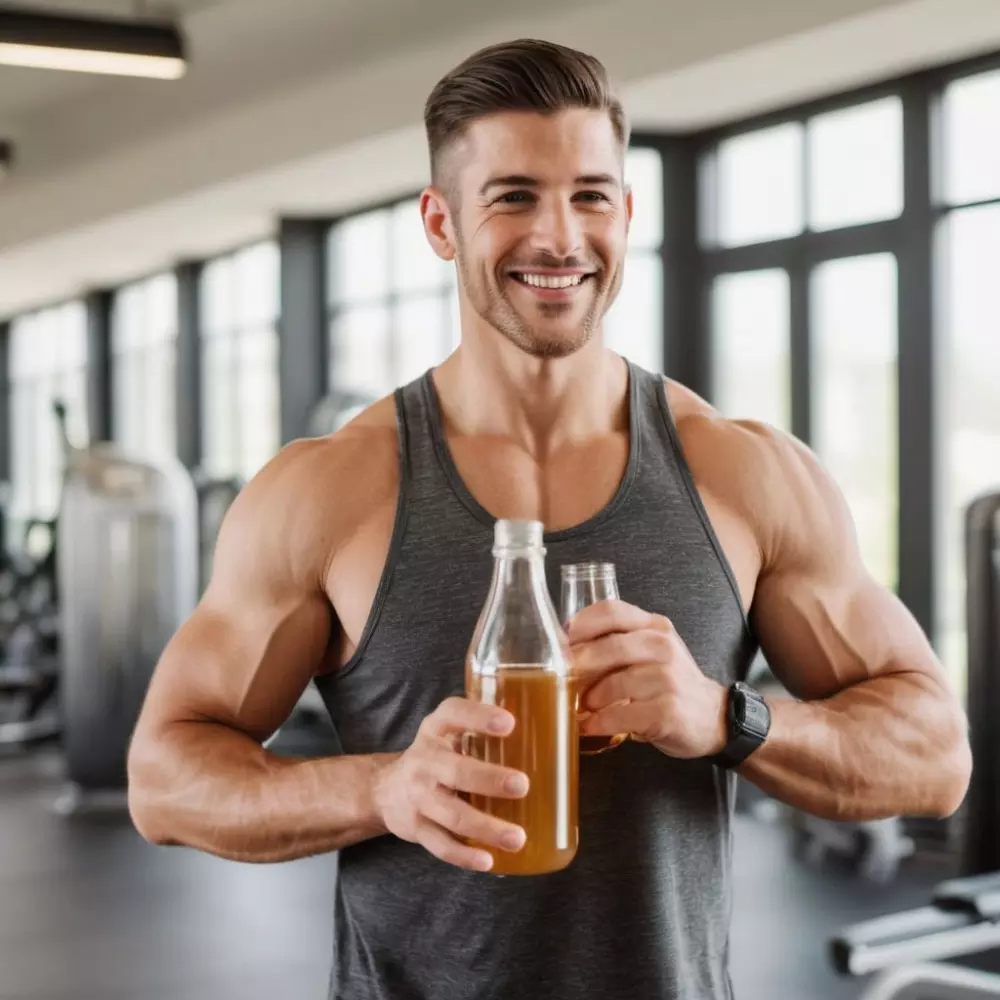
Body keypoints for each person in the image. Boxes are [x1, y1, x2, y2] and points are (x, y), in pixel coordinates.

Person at [127, 38, 972, 1000]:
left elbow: (933, 757)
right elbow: (165, 778)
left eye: (591, 195)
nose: (560, 236)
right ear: (441, 224)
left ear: (627, 211)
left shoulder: (744, 473)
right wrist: (381, 789)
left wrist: (723, 716)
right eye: (514, 197)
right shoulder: (328, 491)